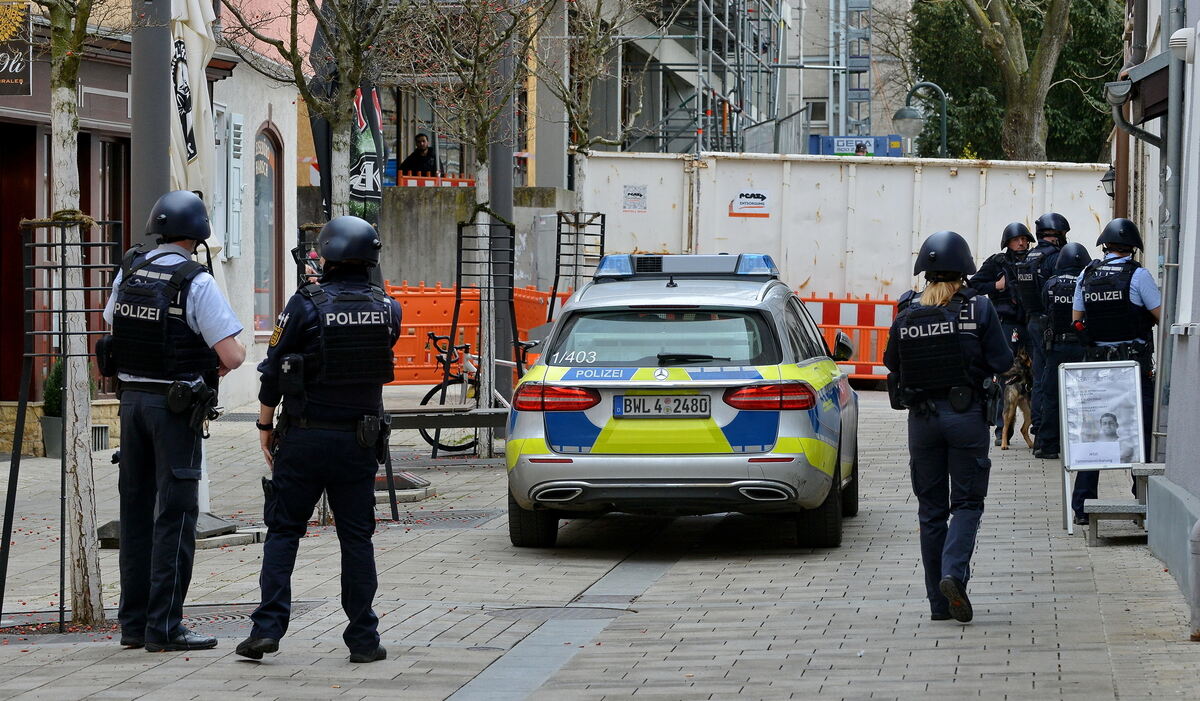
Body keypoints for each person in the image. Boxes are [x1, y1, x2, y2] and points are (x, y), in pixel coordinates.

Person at [238, 215, 402, 663]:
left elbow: (273, 367)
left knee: (284, 531)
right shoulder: (389, 307)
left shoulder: (304, 304)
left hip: (306, 438)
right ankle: (364, 640)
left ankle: (267, 628)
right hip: (360, 443)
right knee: (356, 538)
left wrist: (264, 426)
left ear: (327, 253)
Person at [100, 190, 246, 651]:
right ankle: (165, 627)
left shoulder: (129, 270)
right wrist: (213, 363)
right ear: (198, 233)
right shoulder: (195, 280)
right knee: (177, 518)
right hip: (174, 408)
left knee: (135, 513)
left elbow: (111, 325)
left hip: (131, 404)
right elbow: (233, 353)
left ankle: (133, 625)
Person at [884, 230, 1013, 623]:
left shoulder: (907, 308)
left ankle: (938, 604)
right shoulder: (979, 308)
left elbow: (892, 363)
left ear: (925, 269)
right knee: (968, 504)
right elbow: (1003, 362)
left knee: (931, 511)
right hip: (965, 417)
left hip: (921, 420)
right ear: (965, 270)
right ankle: (954, 574)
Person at [1071, 218, 1160, 515]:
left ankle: (1082, 506)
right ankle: (1144, 499)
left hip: (1096, 368)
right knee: (1142, 431)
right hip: (1132, 367)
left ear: (1105, 245)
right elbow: (1161, 315)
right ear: (1132, 248)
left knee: (1094, 432)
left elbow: (1077, 321)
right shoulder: (1139, 275)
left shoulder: (1087, 273)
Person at [969, 222, 1035, 444]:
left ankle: (1033, 426)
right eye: (1017, 239)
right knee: (1004, 375)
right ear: (1007, 242)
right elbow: (973, 285)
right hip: (1005, 325)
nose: (1022, 242)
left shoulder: (1034, 260)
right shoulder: (997, 262)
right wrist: (995, 286)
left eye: (1025, 239)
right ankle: (1001, 430)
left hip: (1029, 324)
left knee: (1033, 376)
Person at [1012, 212, 1068, 454]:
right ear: (1058, 235)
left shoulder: (1028, 257)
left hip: (1031, 321)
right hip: (1048, 323)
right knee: (1049, 379)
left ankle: (1038, 429)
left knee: (1038, 377)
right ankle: (1046, 436)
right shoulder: (1053, 258)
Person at [1035, 242, 1093, 463]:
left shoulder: (1051, 284)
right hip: (1081, 347)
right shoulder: (1086, 282)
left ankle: (1048, 444)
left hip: (1056, 347)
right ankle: (1080, 442)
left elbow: (1043, 307)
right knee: (1082, 397)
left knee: (1051, 395)